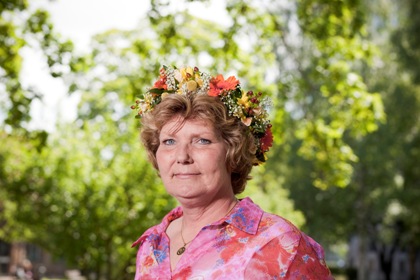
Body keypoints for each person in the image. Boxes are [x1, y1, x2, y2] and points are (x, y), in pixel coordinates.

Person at [131, 65, 333, 279]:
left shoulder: (279, 243)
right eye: (169, 141)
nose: (182, 156)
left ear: (232, 152)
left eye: (202, 141)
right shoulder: (151, 244)